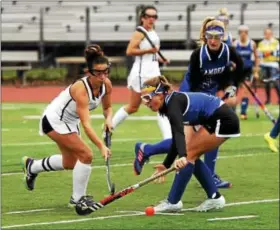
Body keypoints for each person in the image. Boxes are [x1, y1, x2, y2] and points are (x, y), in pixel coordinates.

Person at [134, 17, 244, 189]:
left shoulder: (228, 51)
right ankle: (208, 175)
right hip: (191, 97)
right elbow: (193, 85)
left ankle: (147, 150)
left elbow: (241, 67)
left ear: (223, 36)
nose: (214, 40)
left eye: (218, 36)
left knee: (206, 136)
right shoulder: (199, 55)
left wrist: (232, 86)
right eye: (210, 36)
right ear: (205, 36)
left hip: (207, 97)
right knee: (196, 139)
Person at [21, 44, 112, 215]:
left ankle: (32, 166)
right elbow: (86, 124)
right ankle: (77, 199)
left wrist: (109, 119)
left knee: (70, 163)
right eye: (98, 73)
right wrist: (101, 146)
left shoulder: (106, 84)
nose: (102, 76)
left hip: (70, 122)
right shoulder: (81, 89)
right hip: (54, 120)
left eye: (106, 72)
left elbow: (107, 108)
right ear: (89, 72)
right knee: (86, 155)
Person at [140, 76, 240, 212]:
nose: (145, 103)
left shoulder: (173, 104)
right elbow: (177, 138)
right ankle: (215, 198)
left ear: (159, 94)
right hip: (215, 119)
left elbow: (179, 133)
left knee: (189, 155)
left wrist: (182, 156)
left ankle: (173, 202)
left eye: (147, 98)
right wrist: (166, 164)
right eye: (143, 99)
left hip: (223, 120)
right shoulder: (170, 102)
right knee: (192, 155)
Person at [111, 5, 171, 140]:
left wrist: (161, 58)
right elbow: (130, 51)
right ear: (142, 18)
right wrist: (149, 51)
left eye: (154, 16)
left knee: (153, 104)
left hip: (154, 73)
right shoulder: (139, 32)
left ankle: (168, 139)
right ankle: (109, 127)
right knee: (146, 105)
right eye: (148, 16)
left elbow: (153, 52)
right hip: (142, 74)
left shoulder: (152, 31)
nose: (151, 19)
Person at [233, 25, 260, 120]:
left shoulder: (252, 44)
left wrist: (256, 71)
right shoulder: (235, 43)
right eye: (241, 32)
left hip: (247, 70)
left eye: (245, 32)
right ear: (239, 33)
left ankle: (243, 112)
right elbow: (231, 57)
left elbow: (257, 58)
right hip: (237, 71)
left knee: (246, 90)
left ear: (247, 33)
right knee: (233, 91)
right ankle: (232, 111)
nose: (243, 34)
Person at [258, 27, 280, 104]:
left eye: (269, 33)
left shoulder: (276, 42)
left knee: (275, 82)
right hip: (264, 65)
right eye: (266, 33)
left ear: (271, 34)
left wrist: (267, 53)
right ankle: (268, 100)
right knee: (266, 83)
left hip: (273, 64)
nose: (267, 35)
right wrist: (269, 53)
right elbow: (259, 54)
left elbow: (277, 53)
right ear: (264, 34)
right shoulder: (261, 43)